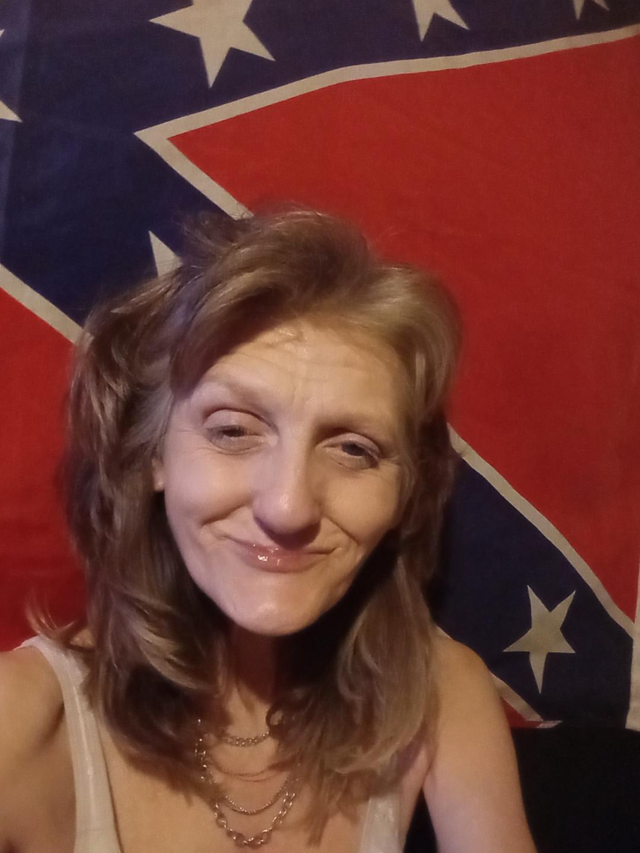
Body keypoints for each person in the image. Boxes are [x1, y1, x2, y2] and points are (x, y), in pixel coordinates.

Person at [0, 208, 537, 853]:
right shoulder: (20, 721)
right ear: (151, 455)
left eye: (353, 449)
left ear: (405, 491)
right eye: (232, 430)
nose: (288, 508)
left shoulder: (440, 694)